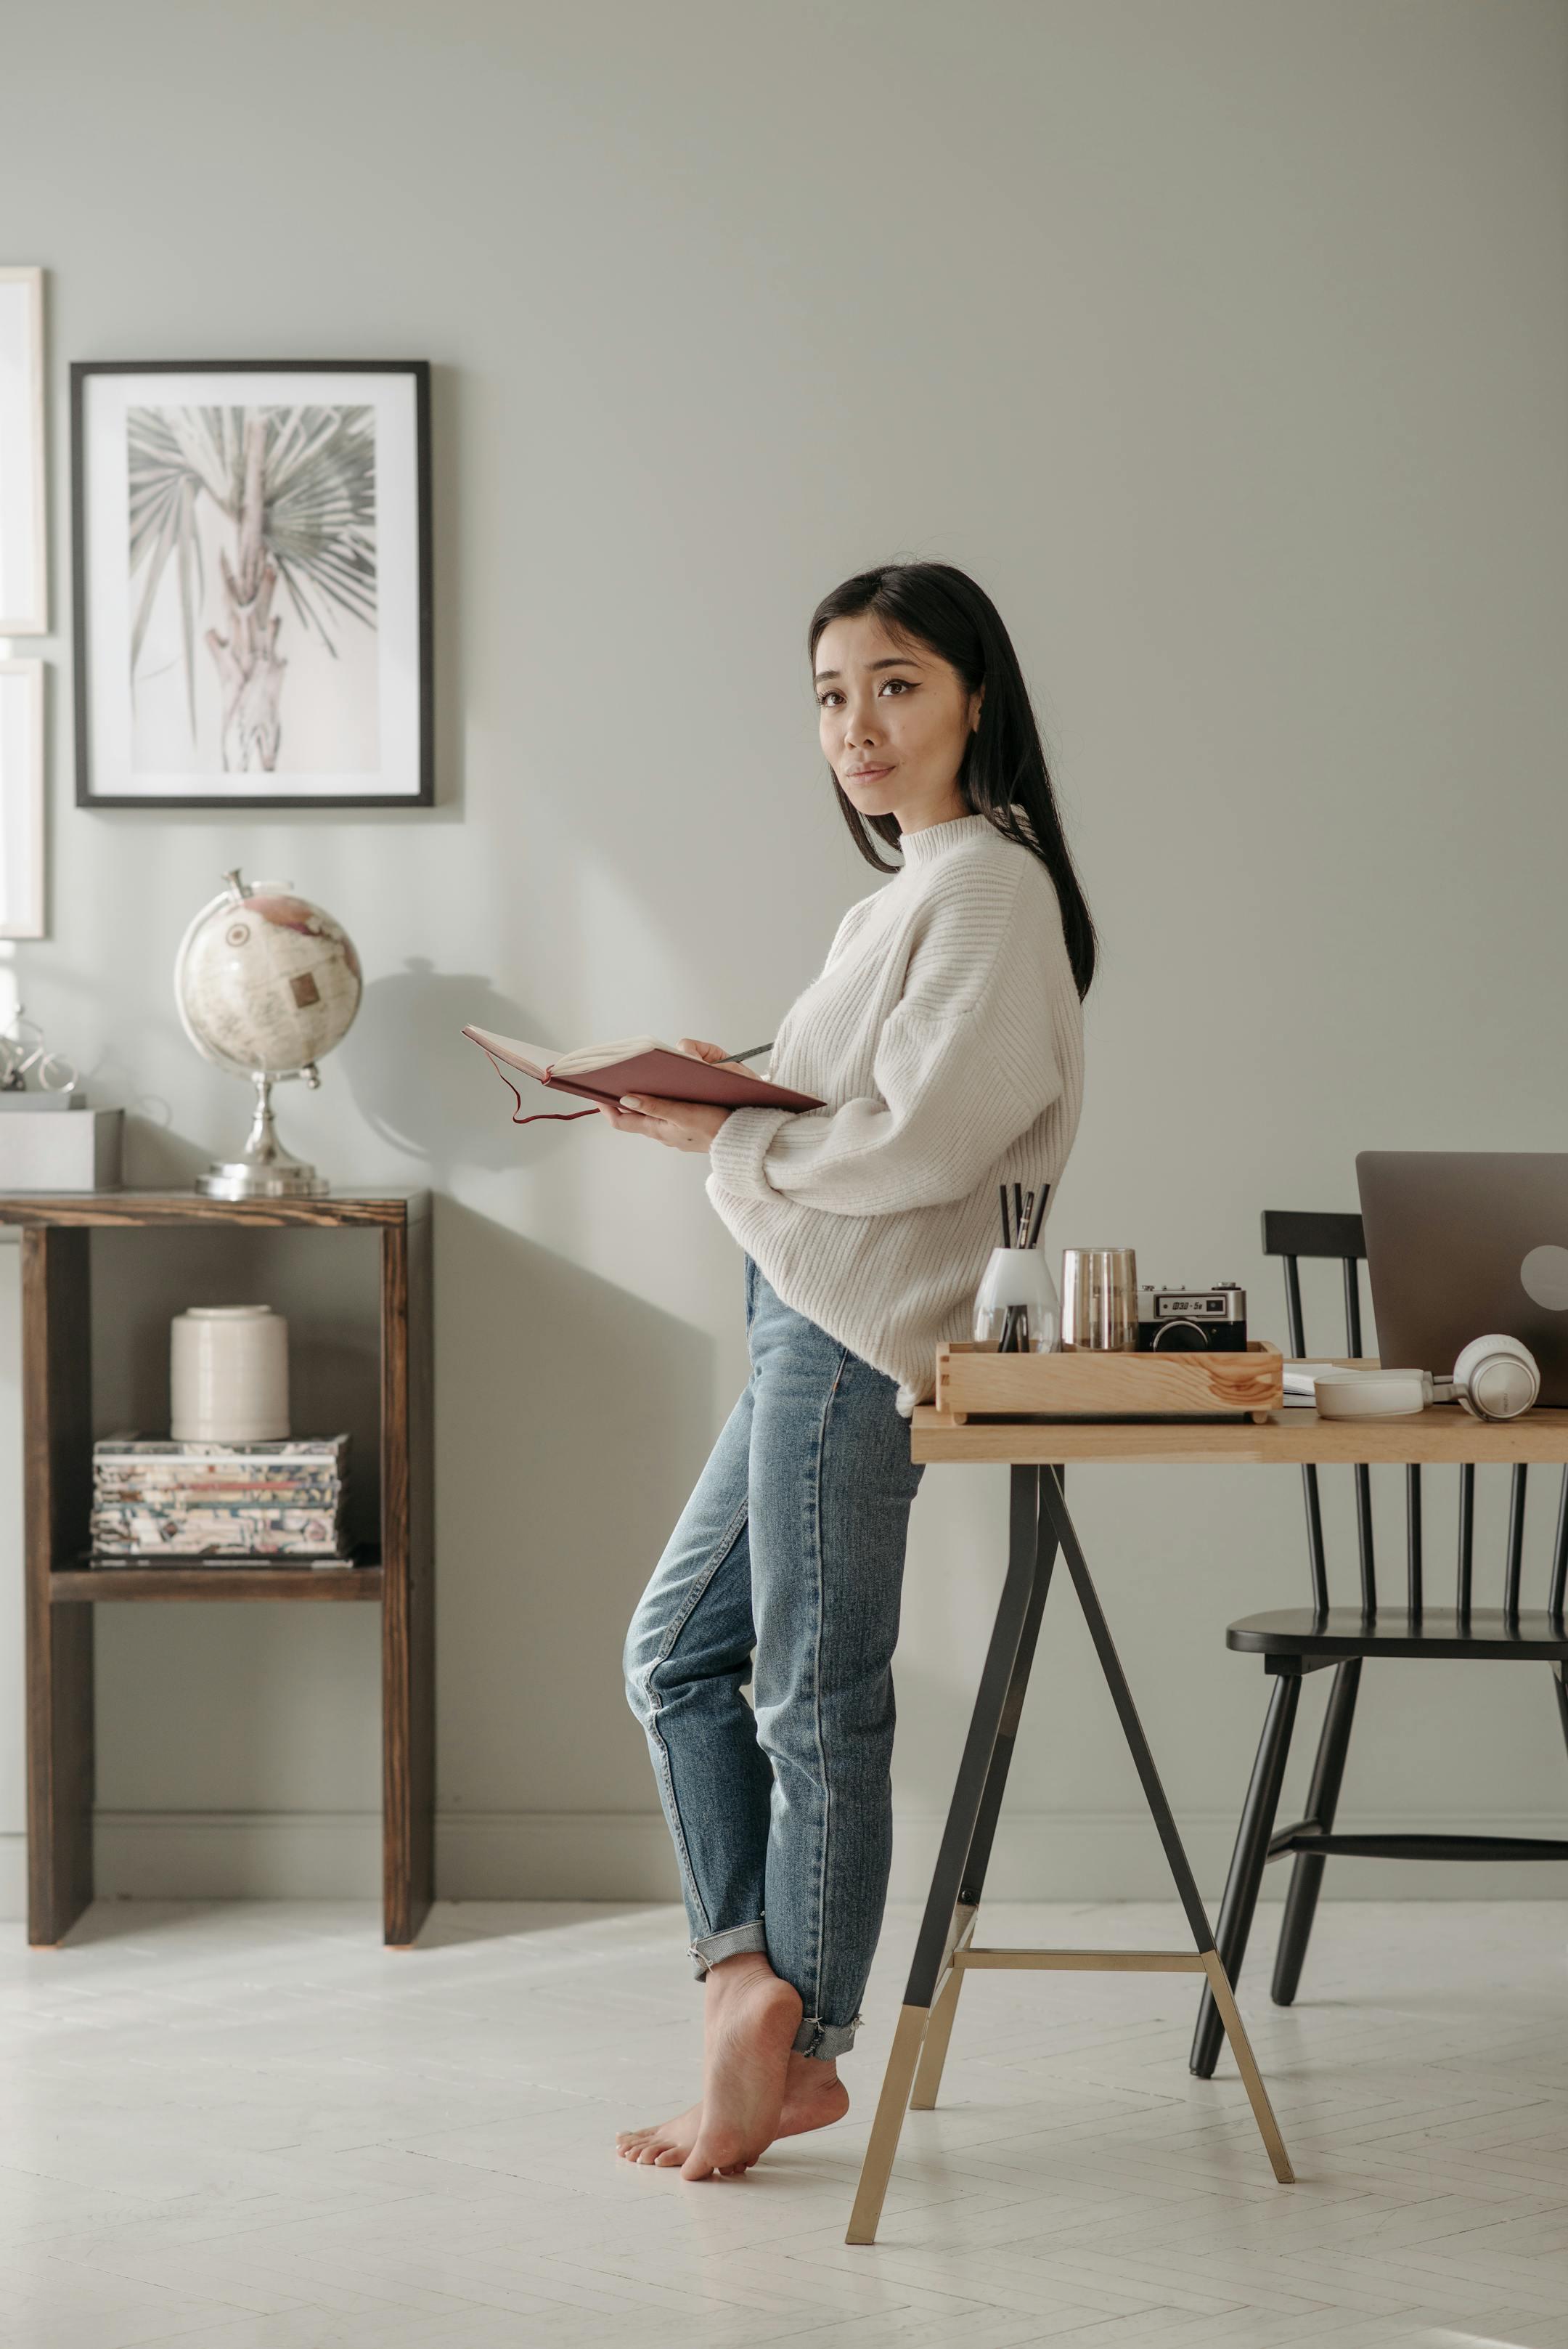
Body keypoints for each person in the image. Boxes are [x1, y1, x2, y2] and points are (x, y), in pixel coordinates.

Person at [601, 559, 1097, 2182]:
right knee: (682, 1653)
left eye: (892, 684)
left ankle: (798, 2044)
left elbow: (926, 1139)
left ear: (973, 696)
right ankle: (748, 1987)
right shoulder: (903, 897)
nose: (857, 725)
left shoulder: (992, 891)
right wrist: (726, 1090)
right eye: (830, 694)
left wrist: (731, 1125)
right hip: (797, 1317)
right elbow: (845, 1113)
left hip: (854, 1334)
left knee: (818, 1693)